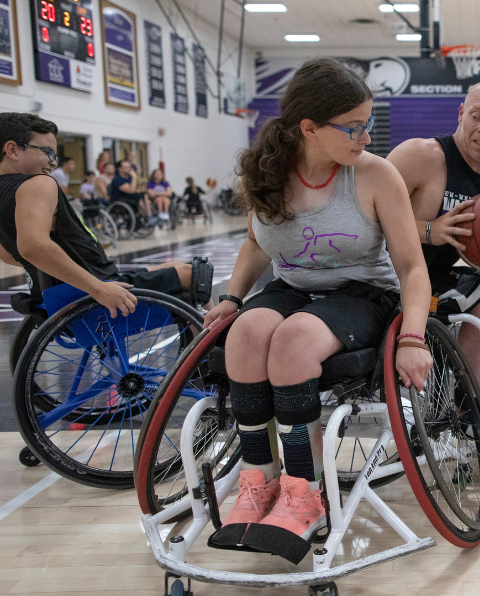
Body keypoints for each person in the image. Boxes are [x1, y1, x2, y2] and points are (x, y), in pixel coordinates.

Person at [201, 58, 432, 563]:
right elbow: (256, 244)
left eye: (369, 122)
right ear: (308, 128)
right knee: (245, 333)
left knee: (294, 340)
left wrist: (413, 338)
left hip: (364, 293)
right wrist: (232, 298)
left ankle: (303, 492)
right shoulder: (266, 173)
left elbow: (413, 268)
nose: (366, 136)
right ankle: (259, 478)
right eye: (354, 126)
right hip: (294, 287)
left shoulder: (375, 175)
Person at [387, 81, 480, 437]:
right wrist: (429, 230)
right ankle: (468, 408)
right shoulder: (421, 155)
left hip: (433, 279)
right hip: (391, 282)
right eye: (476, 116)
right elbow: (364, 217)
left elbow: (475, 243)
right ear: (460, 114)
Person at [0, 112, 212, 317]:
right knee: (195, 273)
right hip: (94, 293)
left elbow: (8, 254)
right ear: (12, 150)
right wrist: (98, 288)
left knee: (175, 266)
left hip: (65, 293)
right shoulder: (38, 184)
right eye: (47, 151)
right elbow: (32, 247)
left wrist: (55, 270)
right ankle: (216, 340)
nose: (53, 161)